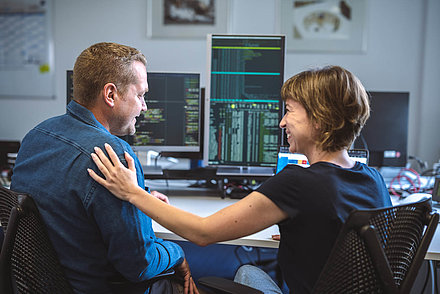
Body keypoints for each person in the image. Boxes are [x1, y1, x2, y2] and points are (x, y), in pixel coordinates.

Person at [87, 65, 392, 293]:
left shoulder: (299, 183)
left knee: (244, 272)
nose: (283, 122)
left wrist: (132, 192)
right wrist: (306, 234)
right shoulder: (372, 178)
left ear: (320, 118)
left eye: (289, 112)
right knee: (249, 271)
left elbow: (202, 232)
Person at [11, 42, 198, 294]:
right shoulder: (113, 154)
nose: (144, 106)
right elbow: (139, 266)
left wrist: (140, 197)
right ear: (110, 95)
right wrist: (179, 255)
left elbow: (72, 197)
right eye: (140, 95)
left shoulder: (37, 134)